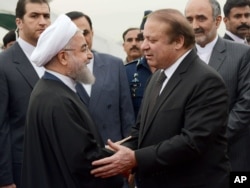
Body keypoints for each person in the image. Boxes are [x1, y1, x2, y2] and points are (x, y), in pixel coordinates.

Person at [91, 9, 230, 188]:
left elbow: (192, 142)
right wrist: (114, 152)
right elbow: (141, 131)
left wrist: (135, 158)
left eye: (152, 40)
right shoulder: (157, 77)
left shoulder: (206, 81)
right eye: (144, 38)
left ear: (179, 41)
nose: (143, 46)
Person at [20, 14, 123, 188]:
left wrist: (109, 150)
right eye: (83, 49)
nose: (89, 56)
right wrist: (120, 159)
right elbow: (83, 162)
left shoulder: (52, 90)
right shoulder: (57, 99)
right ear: (63, 57)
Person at [185, 0, 250, 172]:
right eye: (189, 19)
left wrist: (214, 139)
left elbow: (246, 104)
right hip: (189, 160)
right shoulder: (180, 57)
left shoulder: (241, 53)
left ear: (218, 21)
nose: (195, 25)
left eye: (201, 18)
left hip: (231, 156)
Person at [0, 0, 51, 187]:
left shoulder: (58, 59)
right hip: (22, 172)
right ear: (19, 22)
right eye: (34, 16)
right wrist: (4, 180)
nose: (43, 21)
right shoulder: (4, 64)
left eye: (46, 16)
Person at [65, 11, 135, 143]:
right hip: (77, 154)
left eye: (85, 33)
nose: (82, 38)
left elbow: (127, 115)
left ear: (92, 33)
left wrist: (128, 149)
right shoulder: (60, 71)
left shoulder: (114, 65)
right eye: (74, 34)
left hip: (114, 153)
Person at [125, 10, 155, 119]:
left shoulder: (173, 71)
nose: (144, 44)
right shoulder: (126, 72)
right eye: (143, 38)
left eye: (152, 38)